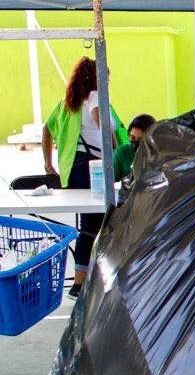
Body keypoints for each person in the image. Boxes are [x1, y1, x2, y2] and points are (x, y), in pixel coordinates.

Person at [41, 56, 127, 298]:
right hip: (96, 168)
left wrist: (48, 163)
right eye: (106, 77)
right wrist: (112, 150)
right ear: (96, 77)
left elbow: (47, 129)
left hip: (76, 169)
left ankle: (82, 281)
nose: (108, 82)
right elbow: (104, 124)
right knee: (98, 224)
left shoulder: (69, 103)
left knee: (88, 224)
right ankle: (84, 284)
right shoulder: (96, 97)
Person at [112, 114, 156, 181]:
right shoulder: (122, 152)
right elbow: (111, 181)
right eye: (132, 137)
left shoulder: (159, 155)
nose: (135, 142)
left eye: (140, 139)